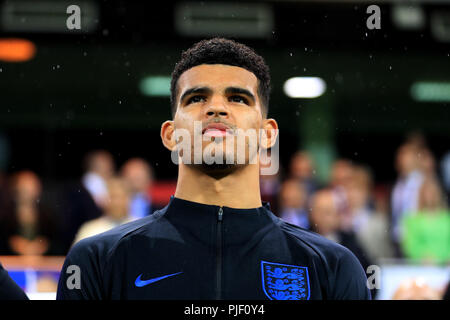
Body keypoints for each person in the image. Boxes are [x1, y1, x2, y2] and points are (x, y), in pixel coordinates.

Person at [57, 38, 370, 300]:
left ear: (267, 133)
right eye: (196, 98)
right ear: (169, 134)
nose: (216, 107)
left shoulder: (333, 266)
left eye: (237, 98)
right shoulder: (98, 261)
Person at [72, 177, 134, 245]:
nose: (117, 203)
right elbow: (77, 255)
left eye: (122, 197)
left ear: (129, 199)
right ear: (105, 199)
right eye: (113, 197)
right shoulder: (89, 229)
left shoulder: (141, 227)